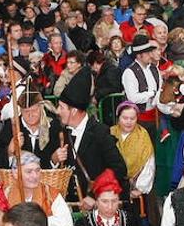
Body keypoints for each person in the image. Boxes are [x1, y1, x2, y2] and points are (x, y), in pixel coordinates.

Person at [53, 68, 130, 209]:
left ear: (74, 111)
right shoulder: (60, 132)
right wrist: (54, 160)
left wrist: (95, 195)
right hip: (70, 206)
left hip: (96, 208)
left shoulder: (100, 133)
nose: (57, 111)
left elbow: (119, 169)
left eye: (62, 107)